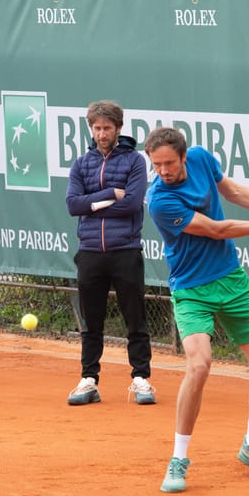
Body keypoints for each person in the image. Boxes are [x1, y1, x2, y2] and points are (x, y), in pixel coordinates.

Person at [143, 126, 249, 492]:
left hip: (231, 281)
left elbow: (233, 192)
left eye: (169, 163)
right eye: (156, 165)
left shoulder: (203, 159)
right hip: (191, 289)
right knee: (200, 364)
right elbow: (217, 230)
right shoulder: (159, 200)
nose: (163, 171)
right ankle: (178, 459)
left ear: (185, 157)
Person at [65, 101, 156, 406]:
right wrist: (107, 195)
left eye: (106, 128)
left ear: (118, 128)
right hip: (90, 252)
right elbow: (72, 205)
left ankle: (141, 379)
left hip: (125, 250)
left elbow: (131, 204)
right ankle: (89, 380)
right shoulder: (81, 164)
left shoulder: (134, 162)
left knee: (135, 319)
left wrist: (91, 203)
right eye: (96, 128)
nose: (101, 134)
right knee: (92, 321)